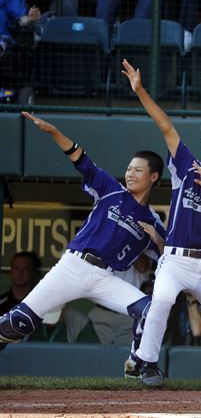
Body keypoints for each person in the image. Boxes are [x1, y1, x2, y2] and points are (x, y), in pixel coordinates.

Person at [121, 59, 201, 387]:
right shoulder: (189, 168)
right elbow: (166, 127)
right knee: (162, 299)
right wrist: (141, 92)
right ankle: (147, 363)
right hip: (175, 260)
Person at [0, 113, 166, 359]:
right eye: (129, 169)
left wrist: (157, 238)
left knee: (150, 311)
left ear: (153, 177)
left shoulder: (152, 219)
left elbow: (171, 256)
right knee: (19, 322)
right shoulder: (111, 190)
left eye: (138, 170)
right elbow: (82, 160)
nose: (130, 174)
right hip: (73, 267)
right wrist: (54, 132)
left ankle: (140, 364)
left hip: (104, 278)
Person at [0, 251, 40, 316]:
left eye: (26, 269)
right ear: (11, 272)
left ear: (34, 273)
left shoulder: (41, 303)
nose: (20, 273)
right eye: (16, 268)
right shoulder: (1, 302)